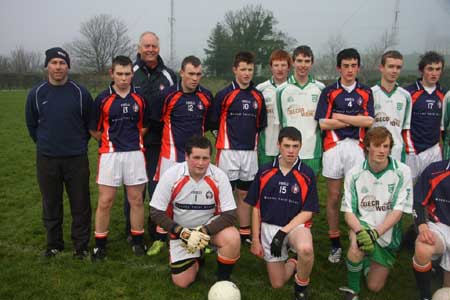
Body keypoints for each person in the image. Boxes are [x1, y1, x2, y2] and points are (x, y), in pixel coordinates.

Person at [25, 47, 92, 259]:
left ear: (68, 66)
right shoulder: (36, 94)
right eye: (53, 63)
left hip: (76, 158)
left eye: (62, 63)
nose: (58, 67)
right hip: (47, 159)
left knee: (80, 203)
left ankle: (81, 246)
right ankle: (54, 244)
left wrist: (77, 143)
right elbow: (31, 125)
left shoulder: (81, 93)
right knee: (51, 203)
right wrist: (46, 144)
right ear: (47, 66)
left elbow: (89, 125)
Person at [149, 136, 240, 288]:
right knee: (182, 282)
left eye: (205, 158)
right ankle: (197, 256)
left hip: (209, 230)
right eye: (196, 157)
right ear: (186, 156)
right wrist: (183, 233)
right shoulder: (172, 175)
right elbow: (156, 212)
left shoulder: (219, 176)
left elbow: (230, 214)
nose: (201, 163)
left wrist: (203, 231)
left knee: (232, 237)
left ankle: (223, 281)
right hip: (181, 232)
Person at [147, 55, 213, 256]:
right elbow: (156, 122)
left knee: (200, 196)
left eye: (198, 74)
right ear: (182, 73)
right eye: (191, 73)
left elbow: (208, 123)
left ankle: (201, 237)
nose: (195, 78)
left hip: (198, 158)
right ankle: (160, 238)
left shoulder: (206, 96)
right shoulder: (166, 95)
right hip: (171, 155)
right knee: (166, 198)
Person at [314, 48, 374, 263]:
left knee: (356, 198)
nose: (350, 70)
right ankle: (334, 243)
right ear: (339, 68)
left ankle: (356, 239)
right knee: (333, 196)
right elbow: (323, 122)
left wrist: (338, 116)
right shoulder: (329, 91)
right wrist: (352, 118)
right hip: (333, 146)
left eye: (353, 65)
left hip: (357, 147)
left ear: (358, 67)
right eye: (346, 66)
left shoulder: (366, 92)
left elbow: (369, 121)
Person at [245, 127, 319, 300]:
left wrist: (284, 231)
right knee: (277, 284)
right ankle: (293, 261)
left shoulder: (307, 174)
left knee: (306, 249)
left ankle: (301, 287)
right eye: (287, 146)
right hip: (269, 227)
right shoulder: (264, 171)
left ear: (301, 147)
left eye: (295, 146)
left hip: (295, 227)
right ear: (279, 145)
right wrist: (255, 240)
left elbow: (308, 211)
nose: (291, 150)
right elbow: (255, 207)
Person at [339, 127, 413, 300]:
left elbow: (398, 211)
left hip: (386, 233)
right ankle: (353, 290)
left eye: (386, 146)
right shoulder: (354, 174)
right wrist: (361, 232)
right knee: (357, 245)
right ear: (367, 147)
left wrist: (376, 233)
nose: (382, 151)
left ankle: (366, 262)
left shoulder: (402, 172)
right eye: (377, 145)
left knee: (374, 287)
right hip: (362, 226)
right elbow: (349, 213)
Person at [89, 55, 149, 260]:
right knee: (105, 201)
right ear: (111, 74)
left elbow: (144, 126)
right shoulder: (102, 99)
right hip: (110, 155)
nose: (124, 78)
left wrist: (131, 141)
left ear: (133, 74)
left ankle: (138, 242)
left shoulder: (140, 99)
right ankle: (100, 245)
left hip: (134, 154)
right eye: (120, 74)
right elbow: (94, 130)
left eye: (127, 74)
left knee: (136, 200)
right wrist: (111, 141)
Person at [125, 31, 178, 244]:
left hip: (158, 142)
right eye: (146, 46)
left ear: (158, 48)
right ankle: (132, 230)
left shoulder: (169, 75)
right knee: (133, 189)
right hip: (132, 143)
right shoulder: (131, 72)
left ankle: (157, 229)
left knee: (158, 188)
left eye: (153, 46)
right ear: (139, 48)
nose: (150, 49)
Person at [210, 51, 267, 243]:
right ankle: (222, 230)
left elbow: (260, 124)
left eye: (250, 69)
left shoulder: (258, 97)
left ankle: (244, 233)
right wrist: (224, 141)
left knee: (244, 193)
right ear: (235, 70)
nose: (246, 73)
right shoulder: (224, 94)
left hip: (250, 152)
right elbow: (213, 122)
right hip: (228, 152)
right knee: (225, 193)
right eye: (243, 69)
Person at [277, 45, 325, 175]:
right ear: (292, 62)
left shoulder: (320, 88)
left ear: (312, 63)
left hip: (312, 152)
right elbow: (281, 122)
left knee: (309, 192)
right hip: (289, 152)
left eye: (307, 61)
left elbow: (322, 123)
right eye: (299, 61)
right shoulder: (281, 90)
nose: (303, 65)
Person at [404, 51, 446, 182]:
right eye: (430, 69)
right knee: (407, 192)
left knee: (432, 192)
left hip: (434, 151)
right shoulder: (408, 93)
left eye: (438, 69)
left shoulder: (444, 95)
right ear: (421, 70)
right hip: (412, 151)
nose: (434, 73)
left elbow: (443, 127)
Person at [412, 159, 450, 300]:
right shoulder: (435, 170)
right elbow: (417, 201)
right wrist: (422, 226)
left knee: (446, 293)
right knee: (423, 247)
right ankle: (425, 296)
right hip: (440, 226)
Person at [371, 50, 412, 162]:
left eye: (398, 67)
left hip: (396, 153)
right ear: (381, 67)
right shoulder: (370, 93)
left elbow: (405, 129)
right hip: (373, 152)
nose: (394, 71)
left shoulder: (406, 96)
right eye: (391, 66)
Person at [256, 49, 291, 165]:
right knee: (267, 178)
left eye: (283, 65)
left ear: (289, 67)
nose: (280, 69)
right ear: (271, 67)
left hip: (290, 144)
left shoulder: (293, 88)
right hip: (267, 144)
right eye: (276, 65)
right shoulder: (261, 89)